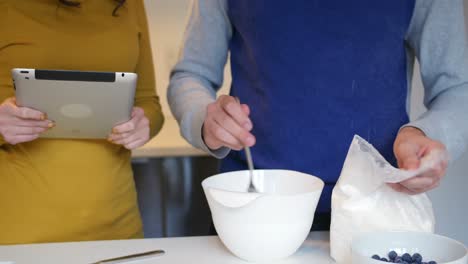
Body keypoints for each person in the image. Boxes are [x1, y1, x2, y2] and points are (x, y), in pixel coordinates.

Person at [168, 0, 468, 230]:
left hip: (374, 212)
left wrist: (426, 136)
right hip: (251, 211)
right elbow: (190, 75)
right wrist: (206, 119)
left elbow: (458, 89)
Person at [0, 0, 164, 244]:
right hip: (19, 233)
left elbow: (148, 102)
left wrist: (143, 124)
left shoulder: (130, 4)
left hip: (119, 228)